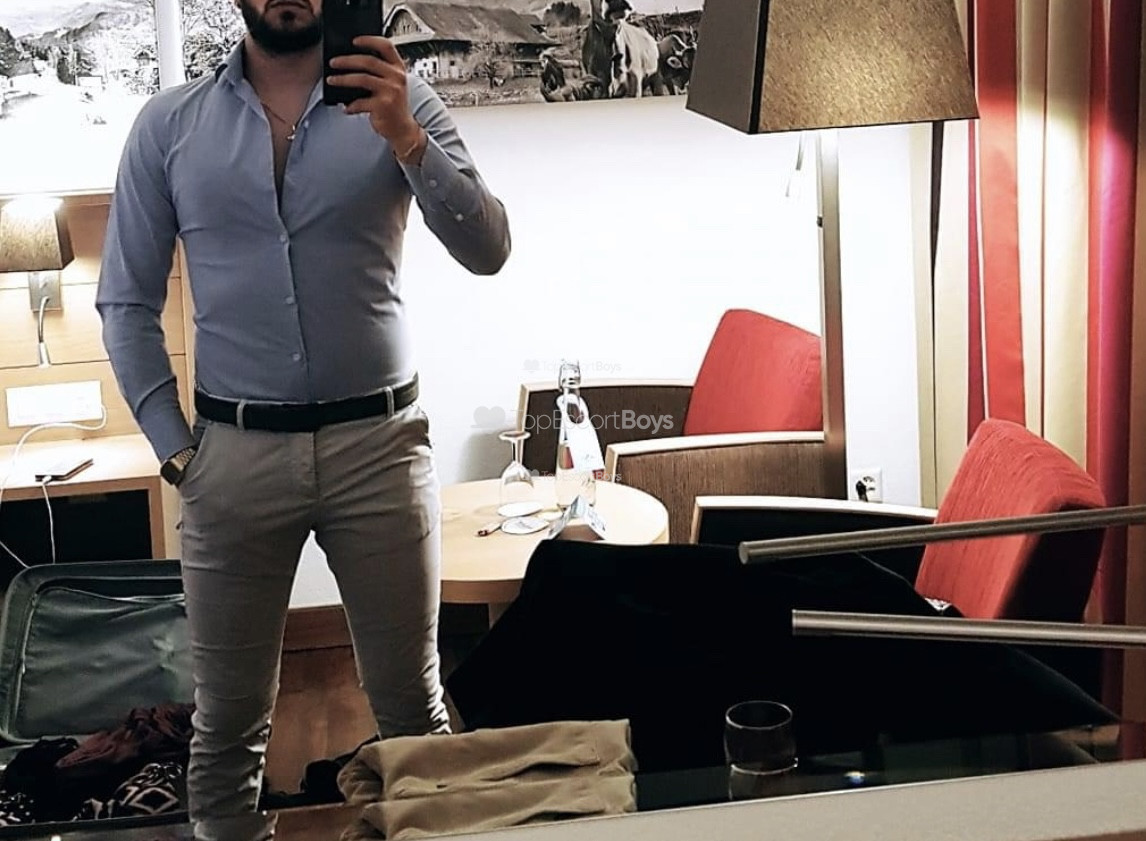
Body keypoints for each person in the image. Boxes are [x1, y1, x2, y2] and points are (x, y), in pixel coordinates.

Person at [96, 0, 510, 835]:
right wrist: (177, 452)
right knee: (225, 727)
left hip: (380, 449)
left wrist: (407, 138)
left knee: (414, 710)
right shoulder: (169, 126)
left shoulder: (399, 100)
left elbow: (488, 248)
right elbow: (125, 302)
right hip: (231, 457)